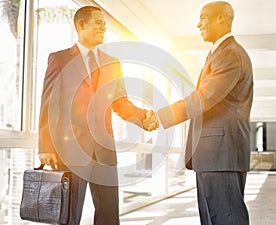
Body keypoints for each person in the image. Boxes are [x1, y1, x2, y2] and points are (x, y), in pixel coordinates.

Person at [38, 6, 154, 225]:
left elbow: (120, 102)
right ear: (81, 25)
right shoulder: (60, 59)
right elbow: (48, 104)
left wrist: (144, 118)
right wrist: (45, 146)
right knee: (68, 215)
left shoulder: (113, 63)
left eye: (104, 23)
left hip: (104, 151)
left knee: (109, 214)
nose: (103, 27)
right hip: (70, 150)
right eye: (98, 22)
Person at [147, 1, 253, 225]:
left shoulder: (230, 54)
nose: (198, 24)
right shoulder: (218, 54)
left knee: (225, 218)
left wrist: (159, 117)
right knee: (213, 218)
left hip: (220, 155)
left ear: (221, 18)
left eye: (203, 18)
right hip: (212, 155)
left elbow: (205, 97)